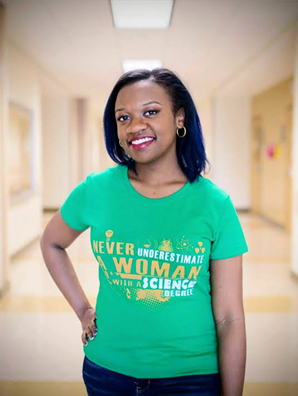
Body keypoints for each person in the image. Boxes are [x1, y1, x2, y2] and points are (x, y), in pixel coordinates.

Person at [40, 68, 248, 396]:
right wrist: (83, 310)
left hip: (191, 377)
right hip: (108, 372)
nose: (135, 126)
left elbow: (229, 318)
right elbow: (52, 242)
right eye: (123, 118)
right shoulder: (97, 190)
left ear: (180, 119)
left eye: (151, 112)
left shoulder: (214, 204)